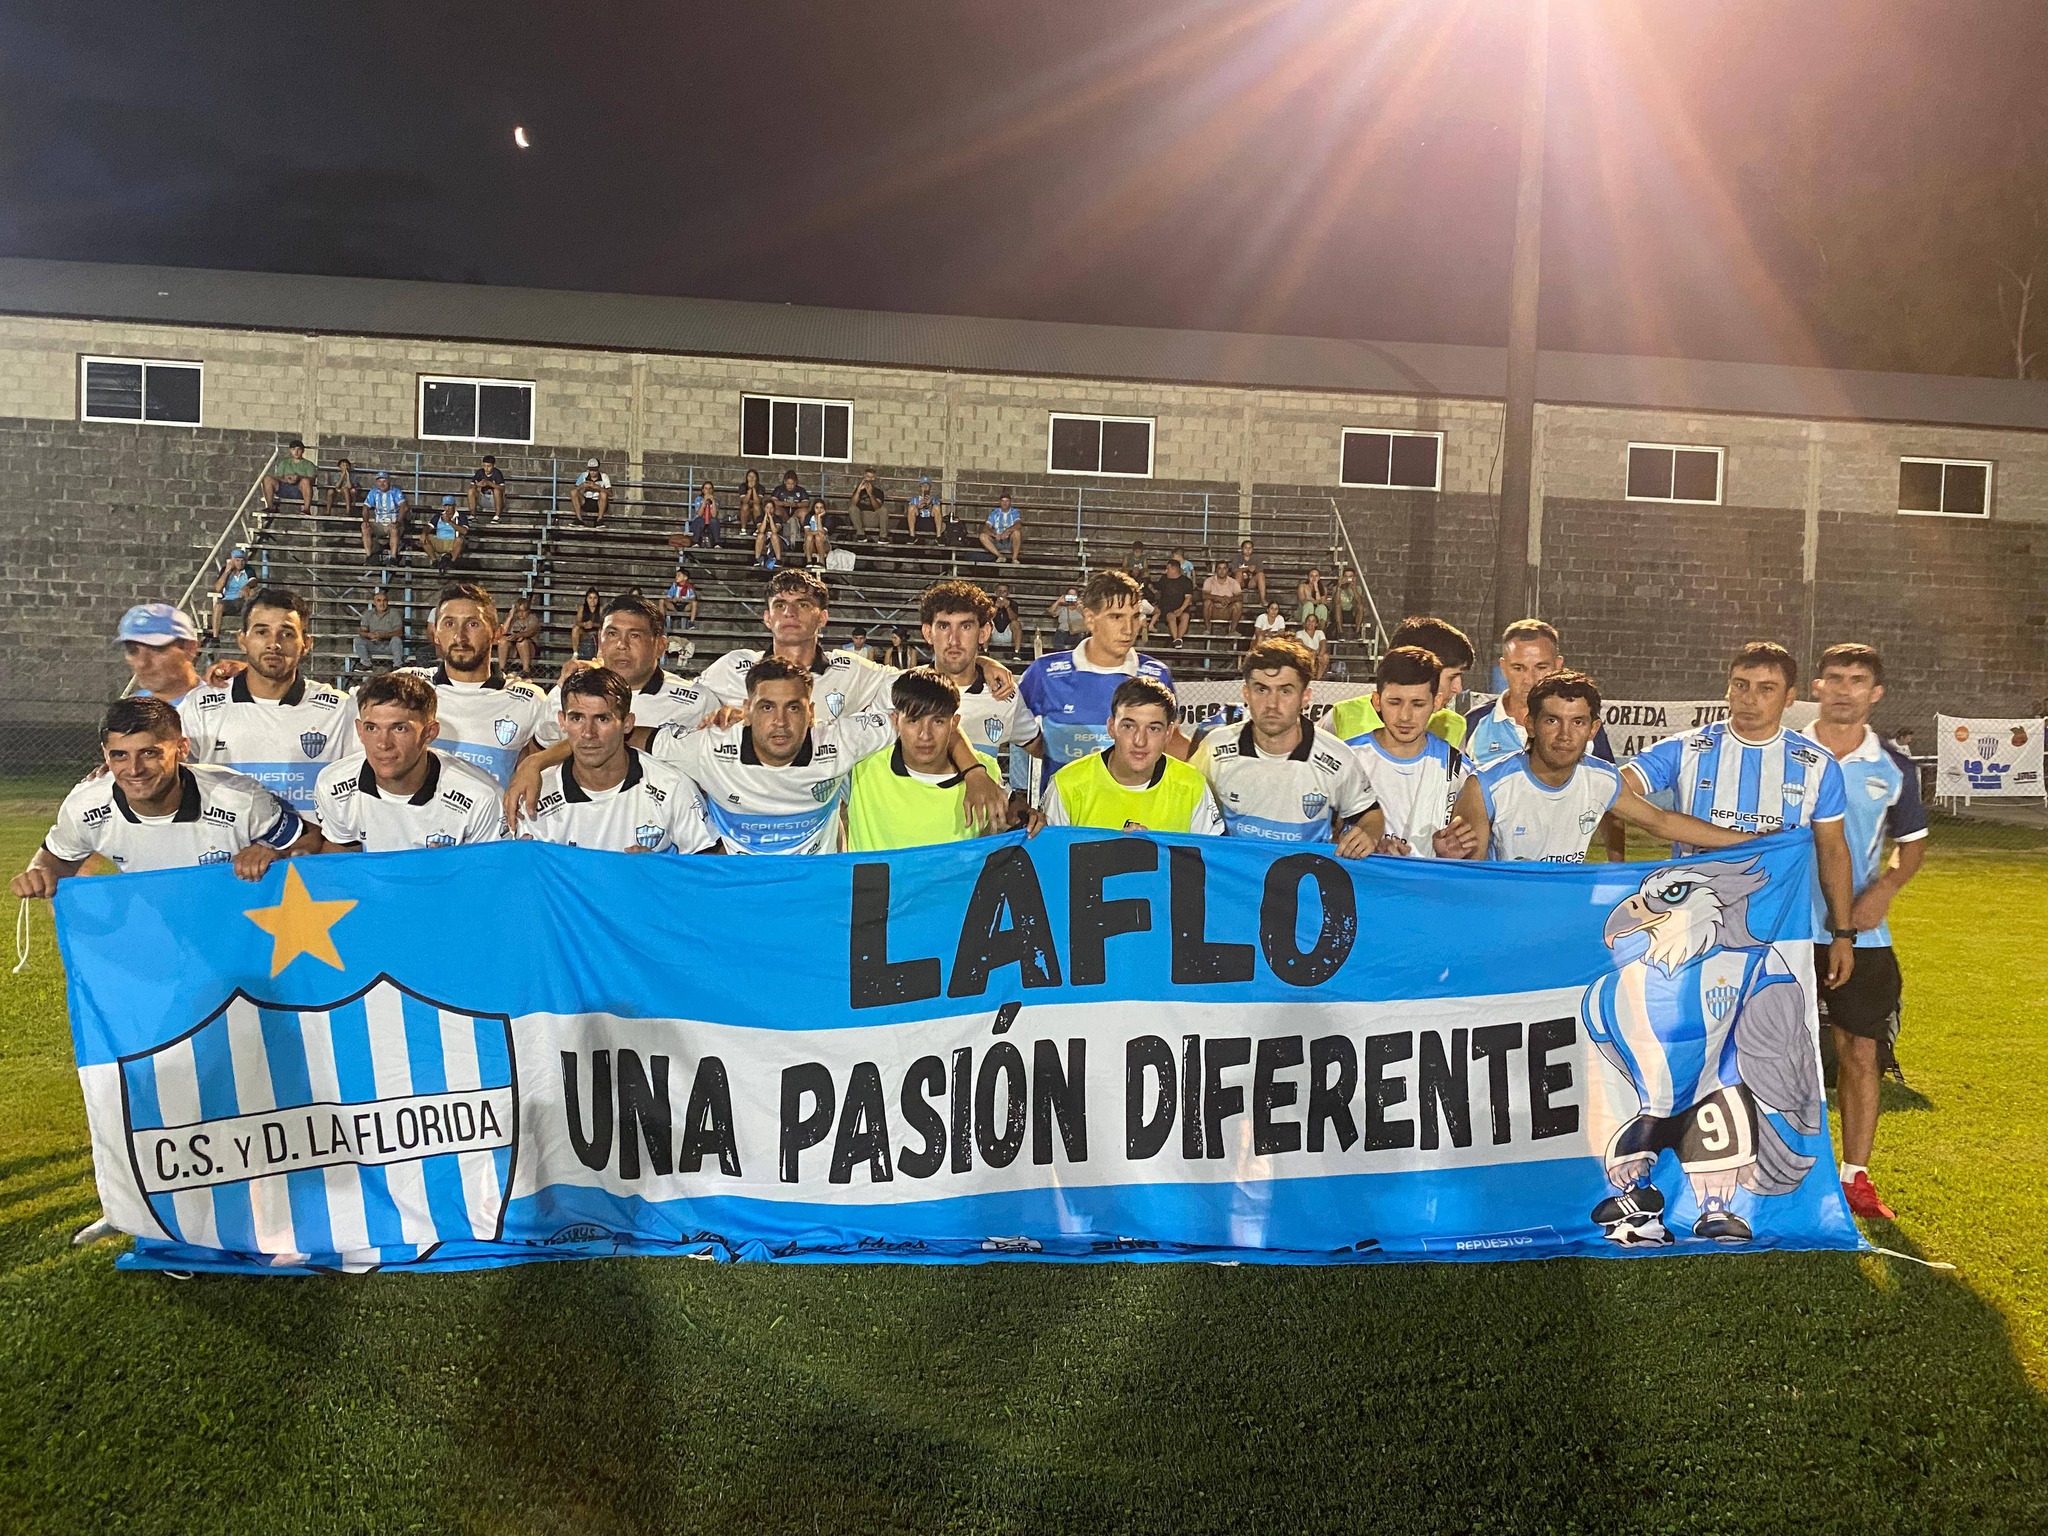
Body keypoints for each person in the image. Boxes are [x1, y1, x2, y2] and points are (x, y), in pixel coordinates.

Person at [1621, 641, 1857, 989]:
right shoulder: (1686, 748)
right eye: (1741, 685)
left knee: (1772, 1017)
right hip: (1691, 929)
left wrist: (1843, 934)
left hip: (1779, 932)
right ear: (1728, 689)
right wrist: (1667, 824)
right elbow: (1611, 791)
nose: (1749, 698)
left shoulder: (1817, 764)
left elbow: (1833, 851)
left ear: (1789, 697)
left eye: (1766, 689)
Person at [1803, 644, 1928, 1221]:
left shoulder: (1895, 767)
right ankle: (1764, 1169)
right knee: (1764, 1049)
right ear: (1817, 686)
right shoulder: (1785, 752)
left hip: (1858, 934)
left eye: (1857, 680)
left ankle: (1855, 1177)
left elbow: (1912, 845)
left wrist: (1886, 887)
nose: (1844, 689)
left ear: (1875, 694)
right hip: (1780, 929)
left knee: (1860, 1050)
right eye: (1834, 678)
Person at [1452, 672, 1762, 864]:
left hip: (1564, 917)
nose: (1565, 734)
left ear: (1593, 729)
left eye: (1577, 722)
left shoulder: (1602, 778)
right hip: (1505, 918)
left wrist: (1754, 841)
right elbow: (1470, 875)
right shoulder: (1486, 785)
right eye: (1552, 720)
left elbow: (1661, 822)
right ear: (1530, 725)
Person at [11, 698, 310, 895]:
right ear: (105, 754)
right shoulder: (86, 805)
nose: (134, 770)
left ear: (182, 748)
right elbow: (56, 860)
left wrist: (275, 853)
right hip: (154, 934)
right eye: (119, 755)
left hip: (233, 935)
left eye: (149, 753)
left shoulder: (238, 798)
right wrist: (39, 874)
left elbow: (311, 842)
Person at [648, 654, 895, 854]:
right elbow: (636, 737)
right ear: (747, 711)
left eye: (793, 708)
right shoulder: (710, 746)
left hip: (816, 887)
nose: (780, 721)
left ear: (811, 713)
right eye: (767, 707)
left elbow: (906, 719)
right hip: (740, 887)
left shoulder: (840, 741)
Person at [179, 587, 356, 826]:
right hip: (224, 848)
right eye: (262, 632)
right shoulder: (200, 706)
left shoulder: (339, 710)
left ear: (306, 644)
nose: (274, 644)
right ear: (242, 640)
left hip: (309, 847)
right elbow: (170, 774)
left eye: (287, 634)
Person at [1465, 619, 1625, 860]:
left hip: (1560, 872)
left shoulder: (1582, 729)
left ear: (1558, 665)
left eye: (1541, 667)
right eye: (1519, 668)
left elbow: (1611, 800)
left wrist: (1616, 866)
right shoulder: (1474, 724)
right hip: (1497, 876)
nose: (1530, 679)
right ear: (1503, 667)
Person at [1195, 639, 1376, 850]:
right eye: (1261, 690)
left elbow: (1369, 814)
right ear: (1246, 694)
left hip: (1306, 870)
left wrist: (1369, 834)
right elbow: (1185, 800)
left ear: (1305, 697)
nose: (1272, 704)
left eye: (1285, 691)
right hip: (1234, 870)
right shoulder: (1215, 748)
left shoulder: (1338, 757)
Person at [524, 667, 712, 854]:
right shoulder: (534, 794)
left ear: (627, 723)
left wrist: (657, 868)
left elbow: (708, 864)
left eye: (602, 719)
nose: (588, 733)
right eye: (577, 718)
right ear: (562, 721)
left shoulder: (672, 787)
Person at [314, 671, 505, 852]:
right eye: (372, 728)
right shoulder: (333, 784)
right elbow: (342, 857)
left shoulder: (481, 797)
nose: (383, 744)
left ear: (429, 733)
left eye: (399, 729)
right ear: (359, 730)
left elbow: (491, 870)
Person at [1020, 569, 1178, 777]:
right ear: (1090, 619)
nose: (1129, 629)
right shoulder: (1046, 672)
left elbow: (1173, 742)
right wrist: (984, 664)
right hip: (1064, 798)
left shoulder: (1157, 675)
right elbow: (1008, 721)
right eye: (1116, 617)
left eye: (1135, 617)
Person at [399, 582, 554, 788]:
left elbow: (574, 747)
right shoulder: (405, 688)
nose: (459, 636)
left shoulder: (529, 700)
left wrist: (535, 762)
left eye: (472, 624)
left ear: (497, 633)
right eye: (449, 623)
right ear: (435, 633)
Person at [1037, 677, 1221, 835]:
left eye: (1153, 728)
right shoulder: (1067, 784)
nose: (1140, 741)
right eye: (1129, 726)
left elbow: (1210, 856)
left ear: (1168, 733)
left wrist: (1152, 850)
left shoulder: (1192, 785)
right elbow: (1048, 857)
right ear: (1111, 727)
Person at [845, 668, 990, 851]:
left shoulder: (986, 772)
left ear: (954, 723)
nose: (925, 735)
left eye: (938, 721)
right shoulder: (861, 764)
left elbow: (1005, 826)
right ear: (895, 721)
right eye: (913, 721)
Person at [1355, 646, 1477, 859]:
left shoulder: (1459, 770)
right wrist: (1368, 848)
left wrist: (1448, 855)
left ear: (1436, 703)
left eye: (1418, 704)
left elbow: (1470, 851)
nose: (1405, 716)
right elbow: (1324, 838)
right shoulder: (1348, 758)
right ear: (1376, 701)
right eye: (1395, 702)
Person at [920, 580, 1041, 780]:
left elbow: (1041, 748)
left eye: (966, 626)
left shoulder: (1004, 695)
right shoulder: (899, 690)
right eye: (943, 626)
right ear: (928, 633)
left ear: (984, 633)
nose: (954, 640)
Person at [541, 593, 707, 738]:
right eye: (612, 634)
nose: (622, 645)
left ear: (660, 646)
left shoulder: (697, 703)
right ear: (600, 640)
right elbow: (539, 750)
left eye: (634, 635)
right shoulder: (564, 692)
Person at [1328, 615, 1475, 749]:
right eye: (1452, 677)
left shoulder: (1455, 727)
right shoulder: (1341, 716)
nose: (1458, 688)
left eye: (1418, 704)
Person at [116, 603, 202, 704]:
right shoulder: (130, 708)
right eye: (132, 650)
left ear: (190, 648)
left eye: (156, 649)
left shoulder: (216, 707)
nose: (142, 663)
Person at [353, 588, 404, 674]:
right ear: (374, 603)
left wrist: (384, 635)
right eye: (379, 601)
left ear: (387, 602)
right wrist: (369, 635)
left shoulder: (394, 613)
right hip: (373, 644)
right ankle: (366, 664)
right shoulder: (368, 614)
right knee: (358, 640)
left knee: (397, 640)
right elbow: (362, 631)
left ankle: (397, 666)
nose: (382, 603)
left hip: (389, 645)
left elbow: (399, 633)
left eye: (384, 600)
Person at [263, 440, 318, 515]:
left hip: (300, 490)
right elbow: (278, 477)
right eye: (293, 449)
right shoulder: (284, 463)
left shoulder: (309, 464)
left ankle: (306, 509)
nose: (296, 452)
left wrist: (299, 478)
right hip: (283, 488)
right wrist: (286, 479)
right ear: (290, 450)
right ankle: (271, 507)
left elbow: (312, 479)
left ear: (303, 451)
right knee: (267, 479)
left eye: (299, 449)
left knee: (306, 481)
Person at [207, 548, 252, 641]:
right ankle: (215, 637)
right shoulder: (225, 570)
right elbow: (218, 588)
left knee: (251, 595)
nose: (240, 563)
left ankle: (248, 635)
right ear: (232, 561)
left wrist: (247, 586)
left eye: (242, 560)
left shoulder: (248, 570)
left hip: (242, 600)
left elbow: (254, 581)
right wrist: (227, 572)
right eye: (237, 560)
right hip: (228, 601)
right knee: (218, 606)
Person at [363, 471, 407, 562]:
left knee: (394, 529)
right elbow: (365, 507)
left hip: (393, 521)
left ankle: (393, 557)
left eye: (384, 481)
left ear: (389, 481)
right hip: (379, 523)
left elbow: (404, 507)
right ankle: (369, 556)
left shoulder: (396, 491)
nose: (382, 484)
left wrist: (398, 522)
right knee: (365, 528)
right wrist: (365, 521)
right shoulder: (373, 492)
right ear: (376, 482)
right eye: (379, 481)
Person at [1154, 557, 1195, 648]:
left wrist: (1181, 609)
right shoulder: (1164, 579)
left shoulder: (1186, 582)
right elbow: (1156, 591)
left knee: (1185, 616)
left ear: (1174, 569)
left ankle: (1179, 639)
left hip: (1182, 607)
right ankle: (1176, 639)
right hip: (1166, 609)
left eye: (1167, 569)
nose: (1166, 571)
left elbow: (1188, 598)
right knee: (1171, 617)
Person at [421, 496, 469, 567]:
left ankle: (452, 562)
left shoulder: (461, 516)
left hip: (453, 542)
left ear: (454, 506)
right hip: (440, 541)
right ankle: (435, 561)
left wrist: (449, 522)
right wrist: (424, 533)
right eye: (446, 506)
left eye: (450, 506)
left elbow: (464, 531)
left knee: (460, 540)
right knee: (424, 538)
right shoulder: (438, 516)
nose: (447, 508)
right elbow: (428, 527)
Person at [499, 595, 541, 675]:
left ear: (528, 611)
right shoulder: (513, 619)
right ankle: (502, 669)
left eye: (523, 611)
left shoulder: (533, 618)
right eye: (518, 611)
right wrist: (510, 616)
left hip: (530, 647)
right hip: (514, 648)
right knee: (503, 641)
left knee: (522, 642)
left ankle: (526, 670)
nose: (521, 614)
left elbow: (531, 631)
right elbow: (503, 631)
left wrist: (517, 635)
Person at [980, 490, 1025, 564]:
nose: (1005, 503)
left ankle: (1014, 558)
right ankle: (1000, 556)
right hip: (997, 540)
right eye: (1003, 501)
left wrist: (1007, 531)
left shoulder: (1014, 512)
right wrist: (994, 534)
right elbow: (986, 527)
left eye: (1007, 501)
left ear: (1010, 502)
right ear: (1000, 502)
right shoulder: (995, 513)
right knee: (982, 536)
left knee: (1017, 533)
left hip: (1009, 540)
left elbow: (1018, 524)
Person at [848, 470, 889, 540]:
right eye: (868, 476)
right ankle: (860, 534)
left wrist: (870, 494)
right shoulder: (859, 491)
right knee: (852, 509)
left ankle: (883, 537)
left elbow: (877, 507)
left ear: (875, 479)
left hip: (874, 518)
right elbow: (852, 504)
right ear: (864, 477)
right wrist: (858, 490)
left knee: (884, 509)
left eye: (872, 477)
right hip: (860, 518)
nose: (870, 479)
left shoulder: (879, 492)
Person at [572, 458, 612, 526]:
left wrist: (598, 487)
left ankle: (599, 520)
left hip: (599, 502)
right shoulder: (583, 475)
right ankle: (579, 519)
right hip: (586, 501)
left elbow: (610, 493)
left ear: (598, 468)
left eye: (595, 470)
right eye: (591, 470)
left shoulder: (604, 476)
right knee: (573, 492)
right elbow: (574, 490)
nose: (593, 472)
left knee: (603, 494)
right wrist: (582, 486)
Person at [1202, 561, 1243, 627]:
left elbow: (1240, 597)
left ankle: (1233, 630)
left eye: (1224, 568)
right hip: (1213, 610)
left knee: (1238, 604)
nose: (1222, 571)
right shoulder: (1209, 580)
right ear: (1216, 570)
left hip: (1227, 611)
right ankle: (1207, 629)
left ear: (1227, 570)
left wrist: (1230, 599)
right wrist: (1218, 598)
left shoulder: (1233, 582)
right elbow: (1204, 595)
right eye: (1219, 568)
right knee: (1207, 602)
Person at [569, 588, 603, 661]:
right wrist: (584, 624)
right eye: (590, 598)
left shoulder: (601, 609)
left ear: (598, 599)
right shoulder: (582, 608)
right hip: (584, 630)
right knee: (575, 628)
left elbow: (603, 624)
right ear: (586, 599)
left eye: (595, 598)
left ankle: (599, 654)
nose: (592, 600)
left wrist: (593, 624)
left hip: (596, 630)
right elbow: (578, 622)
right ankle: (575, 653)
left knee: (601, 630)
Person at [662, 564, 698, 632]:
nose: (676, 577)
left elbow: (693, 599)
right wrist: (672, 599)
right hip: (674, 605)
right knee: (662, 601)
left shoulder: (689, 587)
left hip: (685, 606)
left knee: (694, 603)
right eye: (676, 575)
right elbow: (667, 598)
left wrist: (684, 600)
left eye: (678, 575)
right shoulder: (674, 586)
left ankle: (691, 623)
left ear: (685, 578)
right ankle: (662, 622)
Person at [735, 468, 769, 537]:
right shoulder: (743, 486)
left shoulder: (761, 488)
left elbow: (758, 501)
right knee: (745, 506)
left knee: (756, 506)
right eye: (749, 476)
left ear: (756, 478)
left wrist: (753, 489)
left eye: (753, 476)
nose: (751, 478)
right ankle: (743, 529)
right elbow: (745, 501)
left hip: (757, 512)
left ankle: (758, 529)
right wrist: (749, 490)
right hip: (745, 512)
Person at [689, 480, 723, 548]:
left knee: (715, 520)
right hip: (699, 521)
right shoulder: (698, 499)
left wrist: (713, 501)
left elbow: (714, 515)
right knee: (700, 520)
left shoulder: (716, 500)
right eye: (706, 488)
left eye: (710, 488)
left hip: (711, 522)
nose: (708, 490)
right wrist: (704, 501)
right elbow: (699, 513)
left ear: (712, 490)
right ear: (703, 490)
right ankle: (695, 542)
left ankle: (717, 543)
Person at [1295, 612, 1329, 679]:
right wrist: (1312, 652)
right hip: (1304, 655)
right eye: (1308, 621)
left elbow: (1323, 644)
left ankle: (1318, 679)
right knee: (1312, 656)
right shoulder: (1299, 633)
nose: (1310, 623)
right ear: (1305, 622)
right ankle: (1310, 677)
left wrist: (1319, 655)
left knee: (1325, 657)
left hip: (1317, 654)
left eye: (1313, 621)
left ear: (1316, 624)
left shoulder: (1319, 632)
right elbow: (1301, 645)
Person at [1234, 540, 1268, 606]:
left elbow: (1260, 571)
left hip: (1251, 582)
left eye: (1250, 548)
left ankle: (1263, 600)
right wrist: (1247, 568)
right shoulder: (1237, 558)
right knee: (1238, 573)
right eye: (1246, 548)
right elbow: (1233, 570)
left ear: (1252, 549)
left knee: (1261, 575)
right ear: (1242, 549)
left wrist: (1255, 569)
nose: (1248, 550)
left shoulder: (1256, 559)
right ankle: (1235, 599)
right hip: (1240, 581)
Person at [1332, 567, 1363, 640]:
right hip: (1339, 612)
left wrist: (1354, 588)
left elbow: (1359, 602)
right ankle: (1340, 632)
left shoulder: (1358, 588)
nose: (1348, 579)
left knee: (1360, 607)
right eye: (1346, 576)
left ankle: (1357, 632)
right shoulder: (1336, 588)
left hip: (1351, 612)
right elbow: (1336, 602)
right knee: (1338, 606)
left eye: (1350, 576)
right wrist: (1339, 587)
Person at [988, 585, 1020, 653]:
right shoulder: (990, 602)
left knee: (1016, 623)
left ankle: (1017, 652)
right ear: (995, 592)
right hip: (993, 632)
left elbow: (1014, 618)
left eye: (1004, 591)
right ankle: (985, 651)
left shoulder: (1013, 603)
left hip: (1008, 633)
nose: (1001, 593)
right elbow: (988, 618)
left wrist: (1007, 607)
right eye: (999, 591)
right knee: (987, 623)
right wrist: (996, 607)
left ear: (1008, 593)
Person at [802, 497, 833, 566]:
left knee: (818, 537)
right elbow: (807, 532)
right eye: (817, 508)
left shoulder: (827, 519)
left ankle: (821, 561)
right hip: (810, 543)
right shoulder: (808, 517)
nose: (819, 510)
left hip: (823, 544)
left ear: (824, 509)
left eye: (821, 508)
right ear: (813, 508)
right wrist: (817, 532)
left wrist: (819, 517)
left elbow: (822, 533)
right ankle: (809, 561)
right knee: (809, 537)